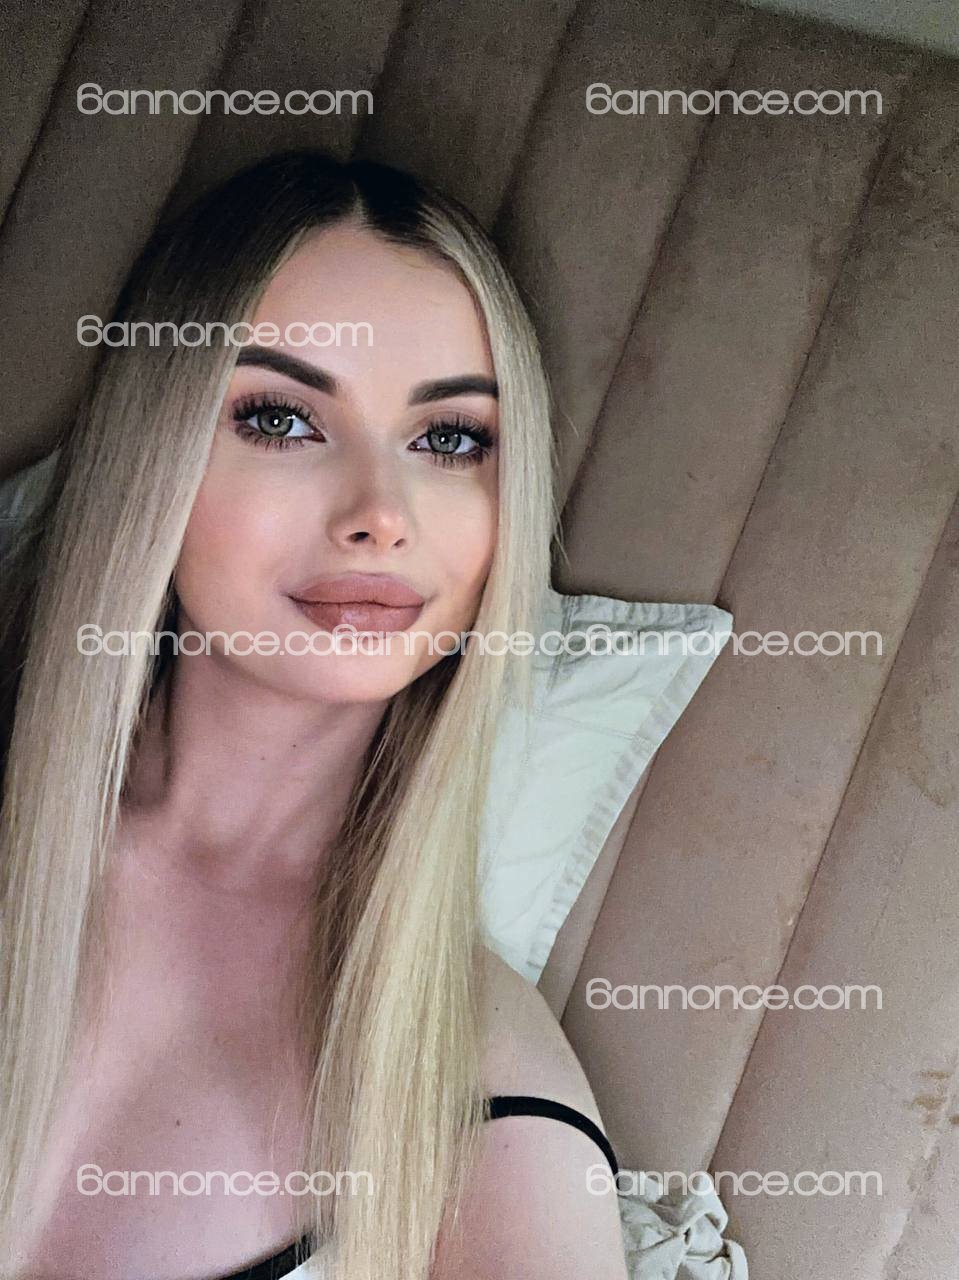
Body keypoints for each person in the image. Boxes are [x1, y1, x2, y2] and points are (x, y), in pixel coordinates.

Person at [0, 151, 628, 1280]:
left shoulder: (489, 1107)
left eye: (450, 439)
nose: (380, 513)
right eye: (282, 419)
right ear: (150, 459)